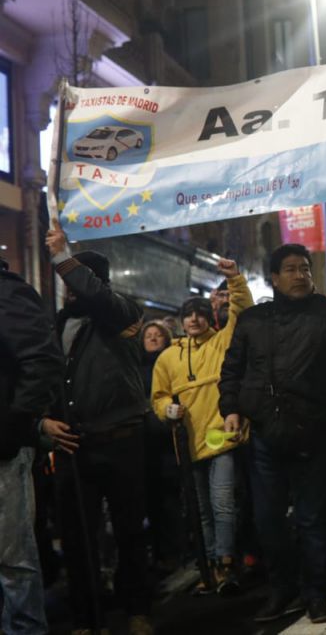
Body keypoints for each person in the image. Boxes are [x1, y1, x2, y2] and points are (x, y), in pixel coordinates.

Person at [218, 243, 326, 624]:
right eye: (290, 269)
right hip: (263, 435)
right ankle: (282, 588)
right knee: (268, 519)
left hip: (316, 429)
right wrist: (231, 409)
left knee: (314, 518)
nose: (299, 275)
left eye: (305, 268)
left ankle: (316, 592)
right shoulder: (253, 320)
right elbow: (233, 369)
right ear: (274, 277)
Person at [41, 219, 153, 635]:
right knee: (78, 540)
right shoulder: (57, 323)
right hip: (73, 447)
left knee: (129, 533)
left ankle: (138, 608)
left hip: (122, 441)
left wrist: (62, 256)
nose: (70, 289)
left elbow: (97, 297)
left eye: (77, 279)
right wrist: (44, 422)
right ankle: (88, 618)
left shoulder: (122, 315)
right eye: (67, 281)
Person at [151, 258, 252, 593]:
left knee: (222, 502)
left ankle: (225, 563)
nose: (194, 319)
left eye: (199, 313)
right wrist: (168, 410)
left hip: (220, 436)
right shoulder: (168, 357)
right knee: (201, 510)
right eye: (188, 315)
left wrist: (235, 279)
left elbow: (242, 309)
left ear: (209, 317)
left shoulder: (222, 342)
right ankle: (209, 566)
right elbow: (158, 396)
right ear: (181, 321)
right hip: (189, 441)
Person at [0, 256, 62, 635]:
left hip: (3, 452)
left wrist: (11, 424)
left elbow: (43, 361)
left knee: (12, 562)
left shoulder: (7, 293)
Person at [139, 320, 182, 571]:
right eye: (149, 335)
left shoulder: (171, 362)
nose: (153, 338)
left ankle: (173, 550)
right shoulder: (137, 367)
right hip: (146, 444)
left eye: (158, 335)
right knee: (152, 498)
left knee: (169, 497)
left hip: (168, 440)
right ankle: (158, 551)